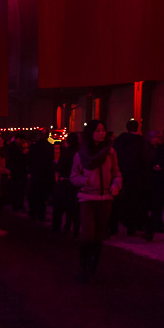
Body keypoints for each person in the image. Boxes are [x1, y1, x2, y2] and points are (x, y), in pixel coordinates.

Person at [70, 120, 121, 283]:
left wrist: (116, 185)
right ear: (90, 133)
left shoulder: (110, 152)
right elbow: (73, 176)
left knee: (99, 236)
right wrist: (84, 180)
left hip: (105, 198)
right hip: (87, 198)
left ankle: (92, 269)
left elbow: (116, 173)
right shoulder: (81, 154)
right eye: (98, 130)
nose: (101, 133)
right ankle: (83, 267)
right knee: (87, 235)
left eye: (103, 130)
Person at [111, 119, 147, 236]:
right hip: (136, 176)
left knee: (117, 201)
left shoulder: (119, 140)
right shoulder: (141, 142)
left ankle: (114, 227)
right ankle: (131, 228)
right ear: (138, 128)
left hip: (120, 173)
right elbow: (145, 159)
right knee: (133, 202)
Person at [52, 133, 81, 236]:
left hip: (65, 181)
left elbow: (60, 167)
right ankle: (74, 230)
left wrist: (55, 164)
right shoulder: (80, 153)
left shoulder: (66, 152)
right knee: (74, 209)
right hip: (76, 183)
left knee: (58, 208)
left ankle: (56, 230)